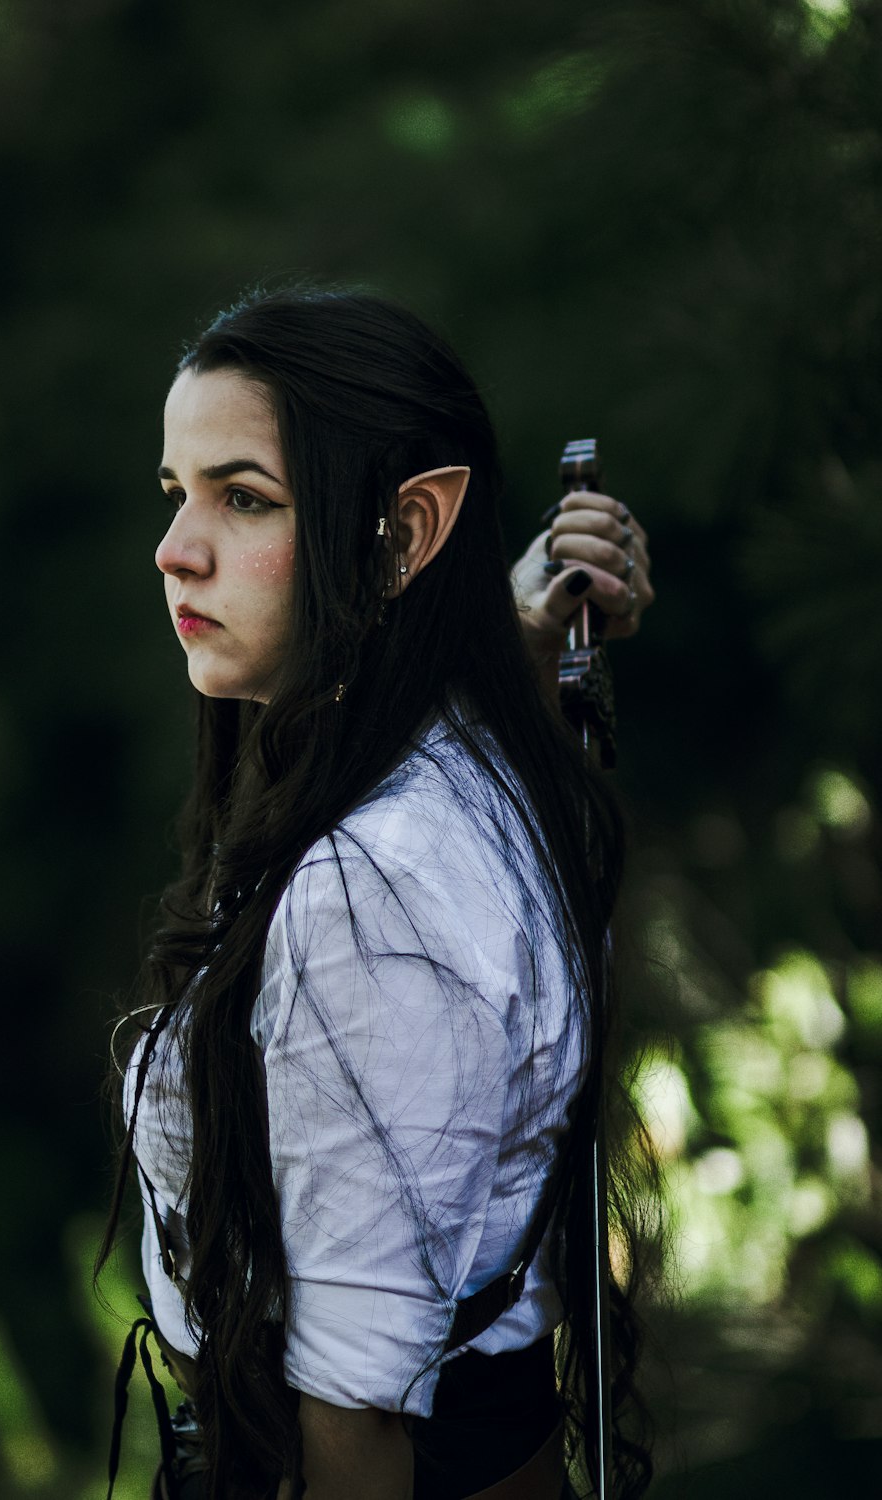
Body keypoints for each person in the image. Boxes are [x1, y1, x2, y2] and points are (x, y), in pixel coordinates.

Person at [101, 285, 656, 1500]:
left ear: (405, 531)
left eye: (243, 498)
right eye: (176, 492)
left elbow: (354, 1419)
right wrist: (518, 618)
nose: (175, 549)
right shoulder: (463, 765)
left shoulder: (378, 899)